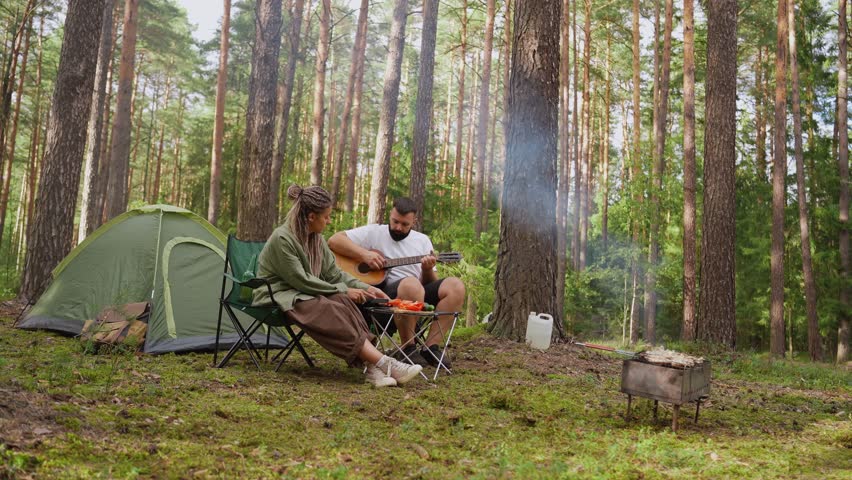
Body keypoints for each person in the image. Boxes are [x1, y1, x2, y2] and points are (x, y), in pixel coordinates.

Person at [252, 185, 423, 387]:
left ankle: (372, 368)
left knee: (341, 302)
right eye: (326, 217)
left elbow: (334, 274)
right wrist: (345, 290)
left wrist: (365, 287)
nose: (329, 221)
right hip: (279, 295)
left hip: (302, 293)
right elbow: (301, 280)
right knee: (328, 308)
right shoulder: (282, 238)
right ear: (311, 217)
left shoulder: (316, 240)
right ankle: (384, 363)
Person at [328, 197, 465, 368]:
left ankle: (431, 347)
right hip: (382, 297)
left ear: (414, 221)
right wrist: (364, 255)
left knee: (455, 286)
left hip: (417, 298)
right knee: (411, 284)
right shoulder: (374, 232)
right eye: (395, 222)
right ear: (390, 215)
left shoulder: (422, 240)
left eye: (405, 224)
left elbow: (431, 283)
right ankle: (408, 347)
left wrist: (427, 269)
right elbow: (334, 240)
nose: (398, 227)